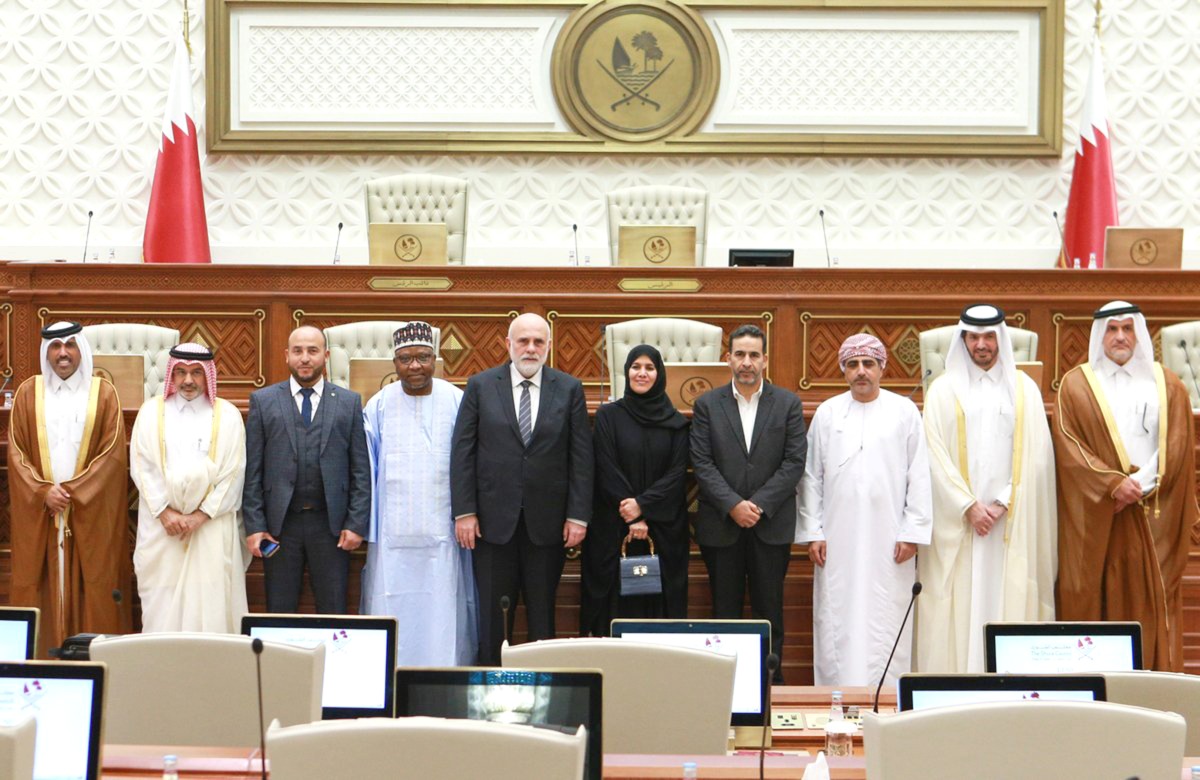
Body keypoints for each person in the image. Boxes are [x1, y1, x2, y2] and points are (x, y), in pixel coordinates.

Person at [1054, 301, 1199, 671]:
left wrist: (1139, 485)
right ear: (1099, 335)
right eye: (1112, 329)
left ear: (1139, 333)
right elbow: (1069, 446)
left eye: (1127, 328)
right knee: (1094, 596)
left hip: (1152, 512)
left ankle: (1155, 689)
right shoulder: (1075, 385)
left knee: (1151, 601)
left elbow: (1178, 445)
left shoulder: (1168, 384)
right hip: (1100, 511)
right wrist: (1111, 485)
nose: (1120, 337)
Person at [918, 305, 1056, 673]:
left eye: (989, 336)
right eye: (974, 337)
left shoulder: (1024, 390)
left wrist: (1001, 503)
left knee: (1005, 594)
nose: (982, 345)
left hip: (1008, 522)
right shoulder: (942, 391)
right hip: (961, 522)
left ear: (1001, 339)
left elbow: (1038, 456)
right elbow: (933, 455)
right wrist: (968, 506)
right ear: (962, 340)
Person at [451, 312, 593, 665]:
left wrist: (578, 516)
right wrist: (464, 511)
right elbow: (462, 453)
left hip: (547, 525)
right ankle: (488, 696)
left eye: (538, 342)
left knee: (543, 617)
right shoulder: (480, 386)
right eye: (523, 341)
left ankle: (542, 698)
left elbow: (580, 458)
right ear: (508, 345)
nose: (530, 349)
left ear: (548, 346)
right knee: (492, 621)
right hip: (491, 525)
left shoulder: (569, 387)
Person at [797, 333, 932, 687]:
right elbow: (811, 477)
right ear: (843, 370)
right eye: (853, 365)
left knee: (885, 613)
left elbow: (919, 474)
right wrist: (813, 532)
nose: (861, 372)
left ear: (882, 368)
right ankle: (834, 696)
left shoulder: (904, 412)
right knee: (837, 616)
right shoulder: (827, 413)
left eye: (868, 364)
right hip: (836, 540)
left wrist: (912, 532)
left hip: (891, 540)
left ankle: (886, 699)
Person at [6, 322, 130, 656]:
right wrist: (42, 492)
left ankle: (99, 661)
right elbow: (16, 453)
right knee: (39, 581)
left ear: (82, 351)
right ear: (46, 352)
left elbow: (113, 454)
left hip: (87, 512)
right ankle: (39, 663)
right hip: (43, 513)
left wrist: (74, 493)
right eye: (56, 346)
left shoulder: (103, 393)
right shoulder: (28, 393)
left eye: (71, 345)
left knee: (97, 584)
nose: (63, 353)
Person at [690, 324, 806, 677]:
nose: (746, 362)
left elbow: (794, 462)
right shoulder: (707, 405)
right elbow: (702, 463)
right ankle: (725, 685)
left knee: (769, 610)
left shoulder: (787, 403)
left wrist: (756, 506)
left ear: (765, 360)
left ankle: (772, 684)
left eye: (754, 355)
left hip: (770, 525)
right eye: (739, 354)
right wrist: (733, 506)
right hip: (721, 525)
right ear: (728, 359)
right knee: (724, 612)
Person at [362, 322, 477, 665]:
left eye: (423, 357)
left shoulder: (457, 399)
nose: (415, 366)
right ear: (394, 363)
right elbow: (368, 470)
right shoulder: (378, 404)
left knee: (443, 607)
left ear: (435, 359)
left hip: (445, 535)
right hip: (392, 538)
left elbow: (470, 460)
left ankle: (444, 673)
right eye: (406, 359)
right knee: (391, 601)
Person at [243, 325, 370, 614]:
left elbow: (360, 470)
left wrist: (355, 523)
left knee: (333, 608)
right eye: (298, 351)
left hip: (331, 528)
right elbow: (253, 472)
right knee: (279, 609)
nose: (305, 358)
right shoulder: (263, 402)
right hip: (279, 528)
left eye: (312, 351)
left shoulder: (349, 403)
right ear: (286, 355)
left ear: (325, 356)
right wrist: (256, 526)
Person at [130, 343, 248, 632]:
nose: (188, 381)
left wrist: (201, 516)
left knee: (210, 606)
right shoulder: (150, 412)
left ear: (208, 375)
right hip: (162, 529)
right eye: (180, 372)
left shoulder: (228, 414)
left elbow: (233, 473)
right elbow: (142, 467)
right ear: (171, 375)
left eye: (196, 373)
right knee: (161, 604)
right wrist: (165, 513)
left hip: (209, 527)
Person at [581, 345, 690, 635]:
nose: (642, 373)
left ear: (660, 374)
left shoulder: (677, 424)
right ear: (626, 371)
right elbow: (605, 467)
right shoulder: (607, 416)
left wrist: (642, 506)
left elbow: (677, 474)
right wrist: (632, 516)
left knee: (660, 611)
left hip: (663, 530)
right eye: (635, 367)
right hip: (613, 528)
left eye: (649, 368)